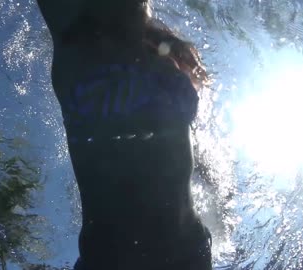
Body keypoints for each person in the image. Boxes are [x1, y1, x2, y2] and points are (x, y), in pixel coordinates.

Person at [36, 0, 212, 269]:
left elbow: (187, 143)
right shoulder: (74, 44)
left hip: (187, 254)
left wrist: (213, 184)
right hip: (109, 259)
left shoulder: (164, 54)